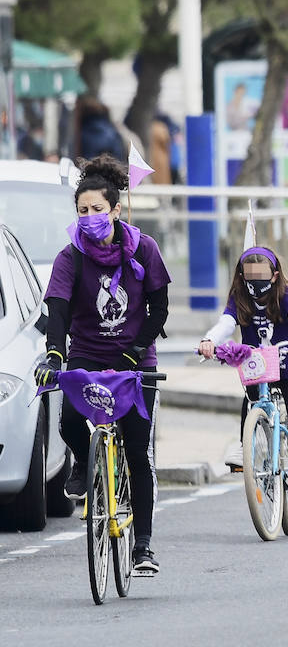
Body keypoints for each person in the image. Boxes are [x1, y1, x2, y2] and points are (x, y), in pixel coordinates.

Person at [35, 155, 172, 575]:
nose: (90, 217)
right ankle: (82, 458)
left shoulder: (144, 248)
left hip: (135, 357)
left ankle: (143, 547)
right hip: (88, 354)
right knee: (71, 419)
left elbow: (159, 310)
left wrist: (136, 351)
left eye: (97, 209)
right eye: (82, 211)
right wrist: (55, 353)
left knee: (136, 449)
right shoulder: (70, 256)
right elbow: (57, 312)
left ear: (115, 209)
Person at [197, 248, 288, 492]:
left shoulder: (284, 295)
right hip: (257, 367)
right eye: (250, 275)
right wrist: (209, 340)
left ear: (275, 275)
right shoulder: (240, 297)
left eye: (261, 275)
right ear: (242, 276)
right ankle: (246, 445)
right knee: (251, 401)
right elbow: (226, 323)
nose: (255, 281)